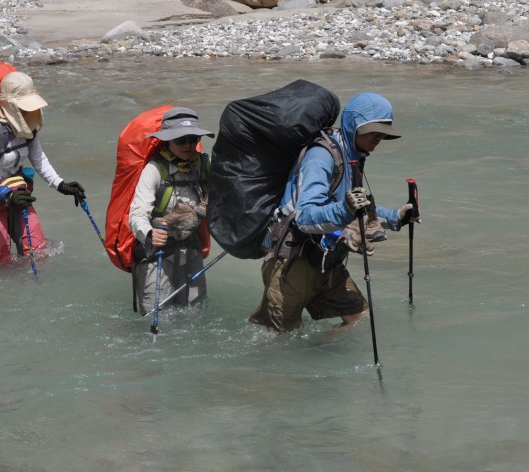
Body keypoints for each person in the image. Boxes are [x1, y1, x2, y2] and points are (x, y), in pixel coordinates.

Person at [248, 92, 416, 332]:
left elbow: (354, 207)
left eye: (383, 133)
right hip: (293, 261)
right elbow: (305, 216)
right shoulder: (321, 156)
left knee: (359, 316)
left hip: (327, 259)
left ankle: (314, 356)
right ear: (354, 125)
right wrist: (345, 210)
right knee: (279, 340)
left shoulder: (352, 156)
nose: (379, 138)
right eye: (374, 131)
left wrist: (395, 218)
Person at [0, 71, 86, 265]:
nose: (28, 111)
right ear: (10, 104)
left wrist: (61, 185)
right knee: (0, 264)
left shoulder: (28, 127)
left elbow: (38, 159)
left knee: (39, 254)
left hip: (17, 195)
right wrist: (6, 195)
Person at [128, 107, 214, 315]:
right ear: (167, 141)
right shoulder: (154, 170)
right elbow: (137, 214)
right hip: (158, 250)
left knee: (195, 310)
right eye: (180, 140)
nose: (188, 145)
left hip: (191, 246)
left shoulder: (204, 165)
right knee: (155, 313)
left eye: (192, 139)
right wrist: (149, 233)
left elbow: (227, 195)